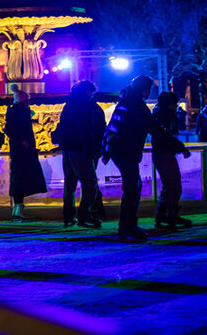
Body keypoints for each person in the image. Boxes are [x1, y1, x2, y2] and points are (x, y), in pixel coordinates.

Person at [103, 75, 164, 242]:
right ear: (145, 89)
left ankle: (128, 227)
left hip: (118, 150)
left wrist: (106, 149)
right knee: (132, 189)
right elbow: (154, 127)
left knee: (133, 187)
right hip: (126, 151)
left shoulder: (125, 102)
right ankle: (127, 228)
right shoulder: (137, 105)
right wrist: (177, 146)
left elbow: (111, 126)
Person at [54, 80, 106, 228]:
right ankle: (85, 215)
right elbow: (86, 130)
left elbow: (62, 128)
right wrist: (91, 151)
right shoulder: (86, 106)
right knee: (90, 183)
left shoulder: (69, 105)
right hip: (81, 150)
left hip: (68, 149)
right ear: (88, 92)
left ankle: (68, 216)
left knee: (70, 184)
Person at [151, 92, 193, 229]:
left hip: (161, 154)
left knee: (169, 186)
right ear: (170, 104)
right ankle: (170, 215)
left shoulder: (159, 115)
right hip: (165, 154)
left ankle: (164, 215)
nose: (176, 106)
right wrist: (181, 148)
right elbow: (166, 136)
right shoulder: (166, 116)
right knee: (174, 186)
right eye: (175, 104)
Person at [5, 85, 47, 221]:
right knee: (21, 177)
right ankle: (18, 208)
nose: (29, 103)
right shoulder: (18, 112)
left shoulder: (18, 111)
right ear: (22, 101)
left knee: (21, 177)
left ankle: (18, 207)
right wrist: (22, 140)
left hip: (21, 150)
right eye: (27, 100)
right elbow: (10, 130)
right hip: (22, 150)